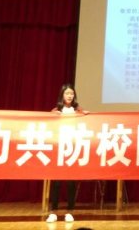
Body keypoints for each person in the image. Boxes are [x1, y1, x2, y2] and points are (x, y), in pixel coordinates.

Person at [46, 84, 86, 224]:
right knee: (56, 183)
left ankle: (70, 211)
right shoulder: (56, 111)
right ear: (62, 95)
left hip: (73, 149)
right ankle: (53, 212)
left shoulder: (78, 111)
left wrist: (85, 115)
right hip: (59, 150)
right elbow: (49, 128)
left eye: (72, 93)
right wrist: (53, 117)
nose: (70, 96)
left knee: (71, 183)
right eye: (67, 93)